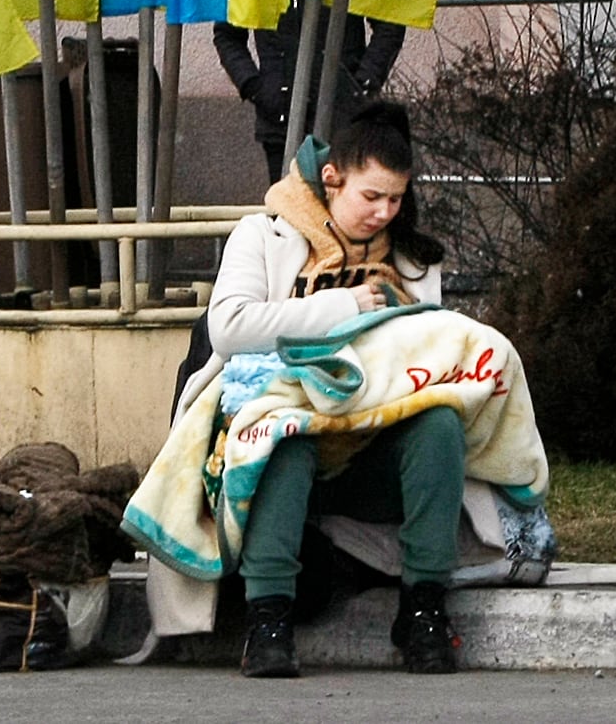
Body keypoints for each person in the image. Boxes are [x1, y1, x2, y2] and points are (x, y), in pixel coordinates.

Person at [156, 102, 467, 677]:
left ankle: (424, 609)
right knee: (289, 432)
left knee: (440, 422)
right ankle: (267, 621)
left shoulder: (413, 262)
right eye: (371, 197)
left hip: (369, 436)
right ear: (332, 179)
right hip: (270, 432)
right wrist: (342, 304)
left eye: (395, 199)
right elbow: (228, 327)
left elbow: (423, 357)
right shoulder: (263, 234)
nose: (384, 212)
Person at [214, 0, 406, 184]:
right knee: (289, 215)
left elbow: (389, 23)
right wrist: (256, 87)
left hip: (340, 116)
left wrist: (359, 85)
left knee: (338, 211)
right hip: (281, 115)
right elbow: (228, 34)